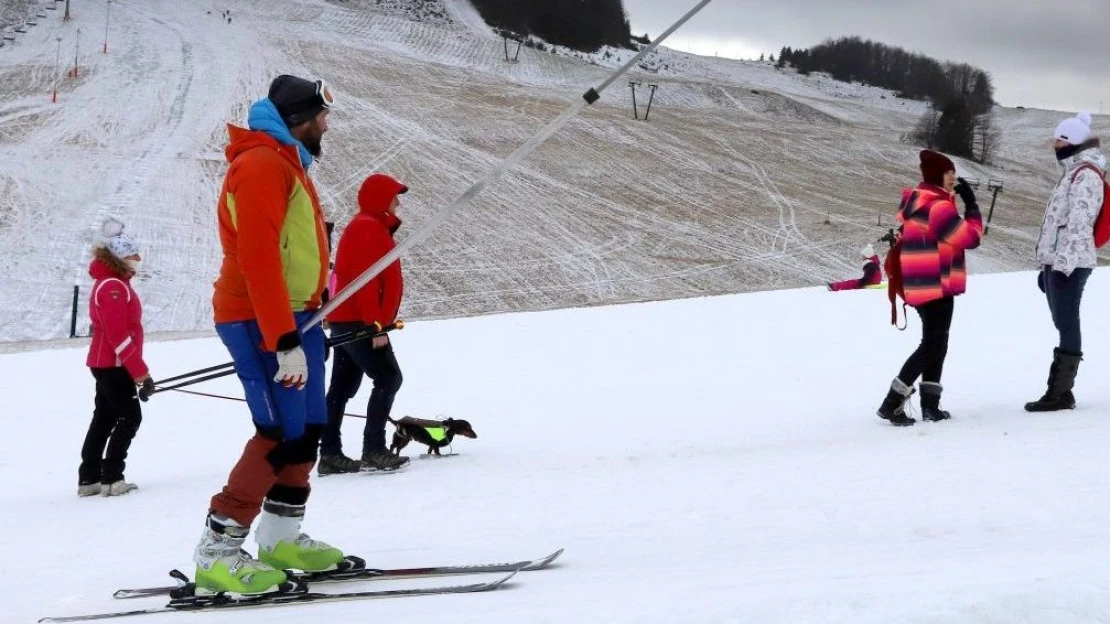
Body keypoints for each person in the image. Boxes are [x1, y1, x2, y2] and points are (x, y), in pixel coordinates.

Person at [194, 74, 348, 595]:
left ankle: (281, 538)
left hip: (297, 316)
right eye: (322, 115)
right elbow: (258, 256)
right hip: (259, 320)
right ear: (299, 119)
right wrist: (282, 339)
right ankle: (216, 553)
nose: (327, 123)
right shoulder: (261, 164)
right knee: (277, 431)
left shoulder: (287, 163)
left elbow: (292, 249)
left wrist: (314, 303)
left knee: (307, 428)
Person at [876, 150, 983, 426]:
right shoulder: (938, 207)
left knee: (937, 344)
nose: (954, 178)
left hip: (920, 282)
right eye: (950, 173)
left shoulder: (918, 200)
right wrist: (971, 206)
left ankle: (930, 406)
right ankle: (891, 403)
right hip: (936, 283)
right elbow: (970, 238)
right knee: (933, 345)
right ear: (938, 175)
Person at [319, 173, 410, 474]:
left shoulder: (369, 227)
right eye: (394, 196)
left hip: (347, 319)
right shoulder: (368, 228)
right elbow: (365, 282)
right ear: (380, 199)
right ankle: (374, 449)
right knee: (388, 378)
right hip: (359, 320)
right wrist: (376, 326)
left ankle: (330, 453)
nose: (398, 203)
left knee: (342, 387)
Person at [1026, 113, 1106, 412]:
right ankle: (1061, 392)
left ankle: (1059, 392)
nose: (1054, 144)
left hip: (1071, 263)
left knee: (1067, 322)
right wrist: (1046, 265)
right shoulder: (1071, 173)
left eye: (1059, 139)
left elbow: (1079, 224)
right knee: (1062, 321)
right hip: (1056, 261)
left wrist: (1063, 266)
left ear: (1072, 141)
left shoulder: (1086, 175)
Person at [79, 218, 154, 497]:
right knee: (129, 417)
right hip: (113, 364)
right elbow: (117, 335)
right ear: (121, 258)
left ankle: (89, 479)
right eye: (133, 255)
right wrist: (140, 372)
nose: (138, 259)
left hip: (107, 363)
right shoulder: (113, 286)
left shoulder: (112, 283)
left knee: (104, 417)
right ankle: (112, 478)